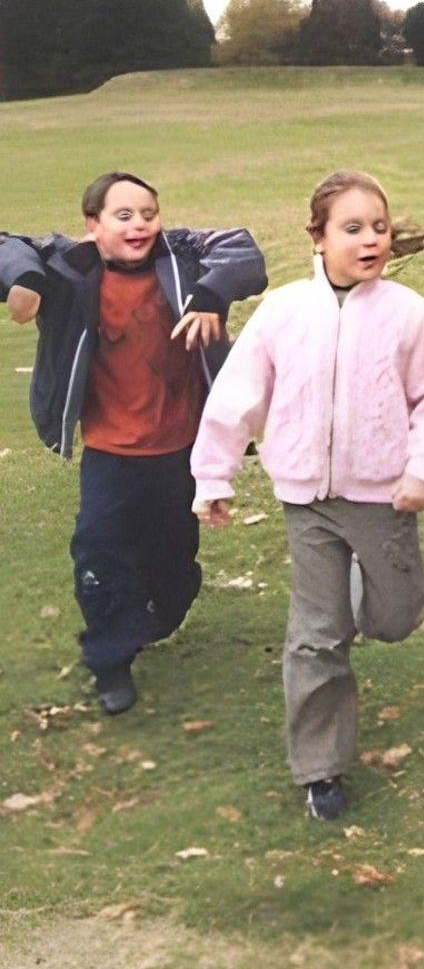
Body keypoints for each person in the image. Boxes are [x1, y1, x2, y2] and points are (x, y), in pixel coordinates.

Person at [189, 171, 424, 821]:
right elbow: (235, 398)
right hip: (306, 501)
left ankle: (363, 595)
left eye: (379, 227)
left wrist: (423, 471)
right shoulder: (283, 312)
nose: (370, 240)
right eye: (353, 228)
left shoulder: (408, 315)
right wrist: (213, 477)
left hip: (383, 500)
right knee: (316, 636)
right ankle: (320, 768)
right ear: (318, 237)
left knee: (394, 618)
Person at [0, 174, 267, 714]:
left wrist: (211, 295)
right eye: (123, 215)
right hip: (111, 453)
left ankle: (161, 608)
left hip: (181, 448)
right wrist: (23, 280)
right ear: (92, 225)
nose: (139, 224)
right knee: (100, 552)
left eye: (148, 213)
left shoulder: (183, 258)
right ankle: (110, 660)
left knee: (172, 563)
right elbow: (8, 244)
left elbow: (243, 251)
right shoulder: (71, 268)